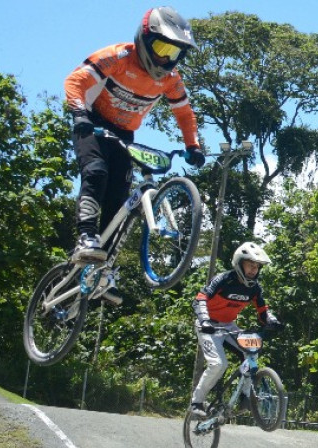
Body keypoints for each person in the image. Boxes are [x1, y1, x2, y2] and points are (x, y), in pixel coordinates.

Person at [64, 7, 205, 268]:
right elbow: (75, 81)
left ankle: (104, 268)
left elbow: (185, 114)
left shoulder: (171, 80)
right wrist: (79, 114)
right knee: (96, 172)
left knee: (119, 198)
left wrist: (192, 146)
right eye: (163, 49)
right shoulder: (117, 56)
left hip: (124, 133)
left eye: (174, 53)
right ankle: (86, 236)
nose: (166, 60)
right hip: (93, 123)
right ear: (144, 39)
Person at [189, 242, 282, 418]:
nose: (254, 270)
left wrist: (272, 321)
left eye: (257, 267)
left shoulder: (254, 288)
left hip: (229, 326)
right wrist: (205, 320)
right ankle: (196, 402)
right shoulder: (223, 280)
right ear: (239, 263)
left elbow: (263, 311)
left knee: (252, 353)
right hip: (208, 325)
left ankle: (246, 397)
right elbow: (199, 299)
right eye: (250, 265)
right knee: (218, 364)